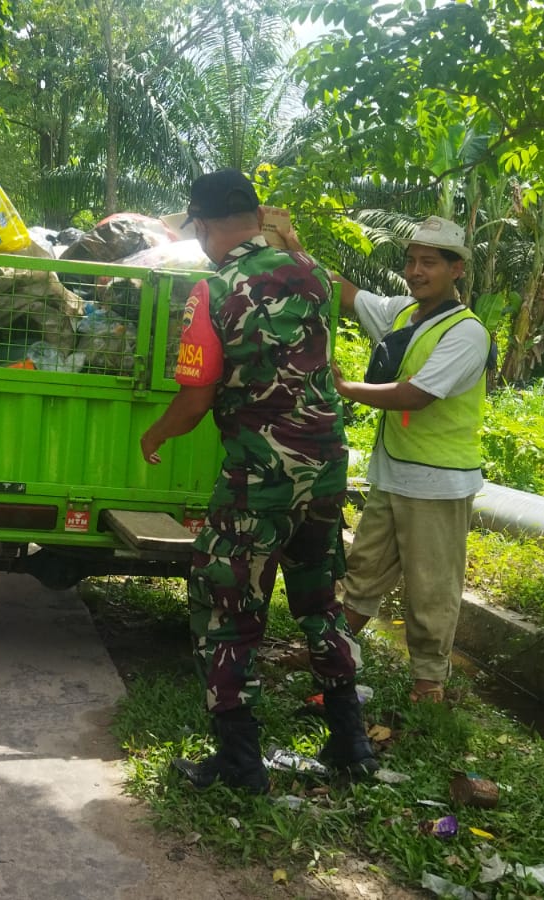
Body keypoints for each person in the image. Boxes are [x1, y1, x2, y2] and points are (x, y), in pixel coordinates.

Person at [140, 170, 374, 792]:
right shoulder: (314, 274)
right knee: (319, 599)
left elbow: (195, 399)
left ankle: (240, 761)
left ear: (203, 225)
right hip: (326, 468)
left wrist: (154, 435)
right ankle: (351, 741)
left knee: (226, 605)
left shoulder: (213, 289)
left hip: (259, 476)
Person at [327, 216, 489, 705]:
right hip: (394, 474)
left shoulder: (467, 333)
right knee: (364, 570)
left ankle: (428, 683)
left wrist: (345, 388)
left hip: (437, 482)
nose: (416, 271)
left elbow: (417, 394)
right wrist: (291, 249)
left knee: (431, 587)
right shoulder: (403, 314)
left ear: (456, 269)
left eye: (430, 262)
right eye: (411, 261)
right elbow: (347, 293)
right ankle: (331, 653)